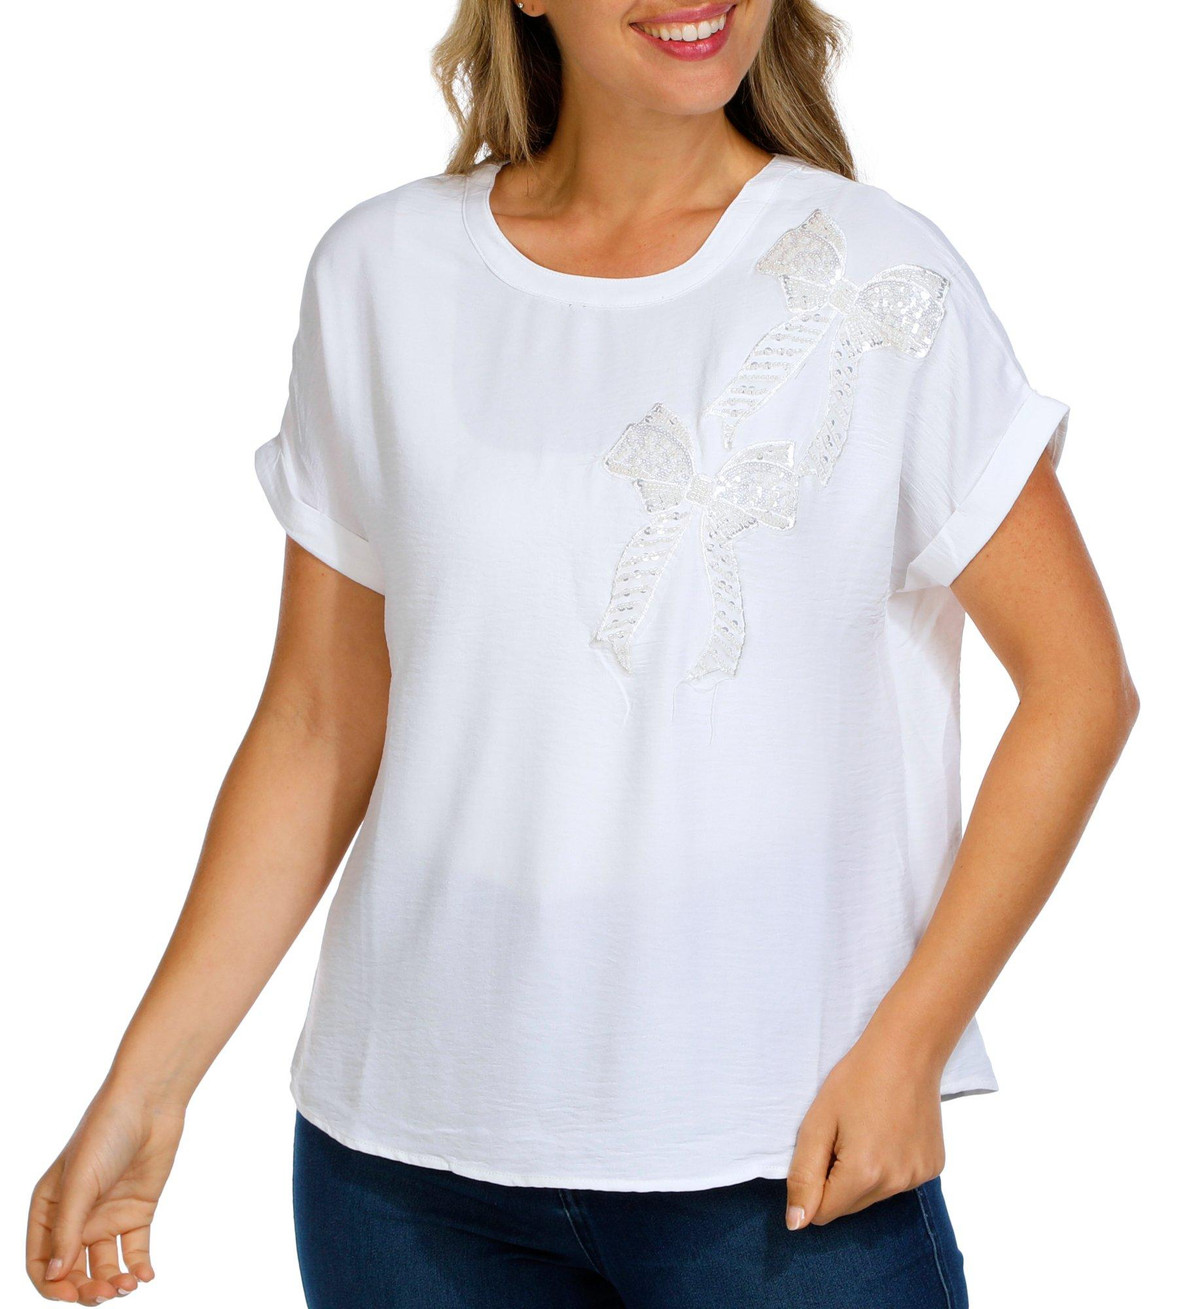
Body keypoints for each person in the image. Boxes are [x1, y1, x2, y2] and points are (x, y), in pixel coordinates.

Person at [26, 1, 1138, 1305]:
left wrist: (912, 1045)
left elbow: (1080, 688)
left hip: (787, 1163)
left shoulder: (873, 276)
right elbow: (320, 720)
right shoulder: (382, 276)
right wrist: (147, 1085)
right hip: (404, 1181)